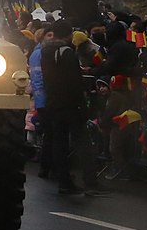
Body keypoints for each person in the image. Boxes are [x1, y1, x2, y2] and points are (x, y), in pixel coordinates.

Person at [41, 20, 108, 196]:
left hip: (53, 102)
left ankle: (64, 181)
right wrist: (82, 103)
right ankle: (91, 182)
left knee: (60, 143)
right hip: (70, 104)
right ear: (69, 33)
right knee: (83, 142)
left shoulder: (45, 51)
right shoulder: (67, 52)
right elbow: (73, 81)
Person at [28, 27, 53, 178]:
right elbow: (38, 79)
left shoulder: (40, 52)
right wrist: (42, 102)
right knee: (50, 136)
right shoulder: (39, 54)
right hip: (45, 100)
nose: (52, 38)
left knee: (49, 136)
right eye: (49, 35)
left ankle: (46, 167)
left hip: (44, 100)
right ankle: (46, 167)